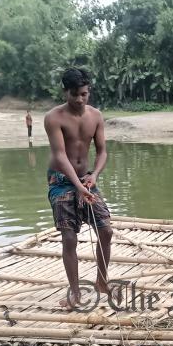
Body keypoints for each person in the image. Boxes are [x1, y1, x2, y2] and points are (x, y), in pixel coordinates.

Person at [44, 67, 112, 308]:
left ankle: (101, 281)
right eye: (75, 94)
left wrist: (93, 176)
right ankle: (75, 293)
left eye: (84, 94)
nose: (80, 99)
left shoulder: (96, 116)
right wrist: (77, 185)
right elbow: (60, 156)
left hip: (86, 180)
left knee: (105, 230)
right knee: (69, 237)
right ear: (65, 92)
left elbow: (102, 151)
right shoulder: (53, 117)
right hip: (61, 182)